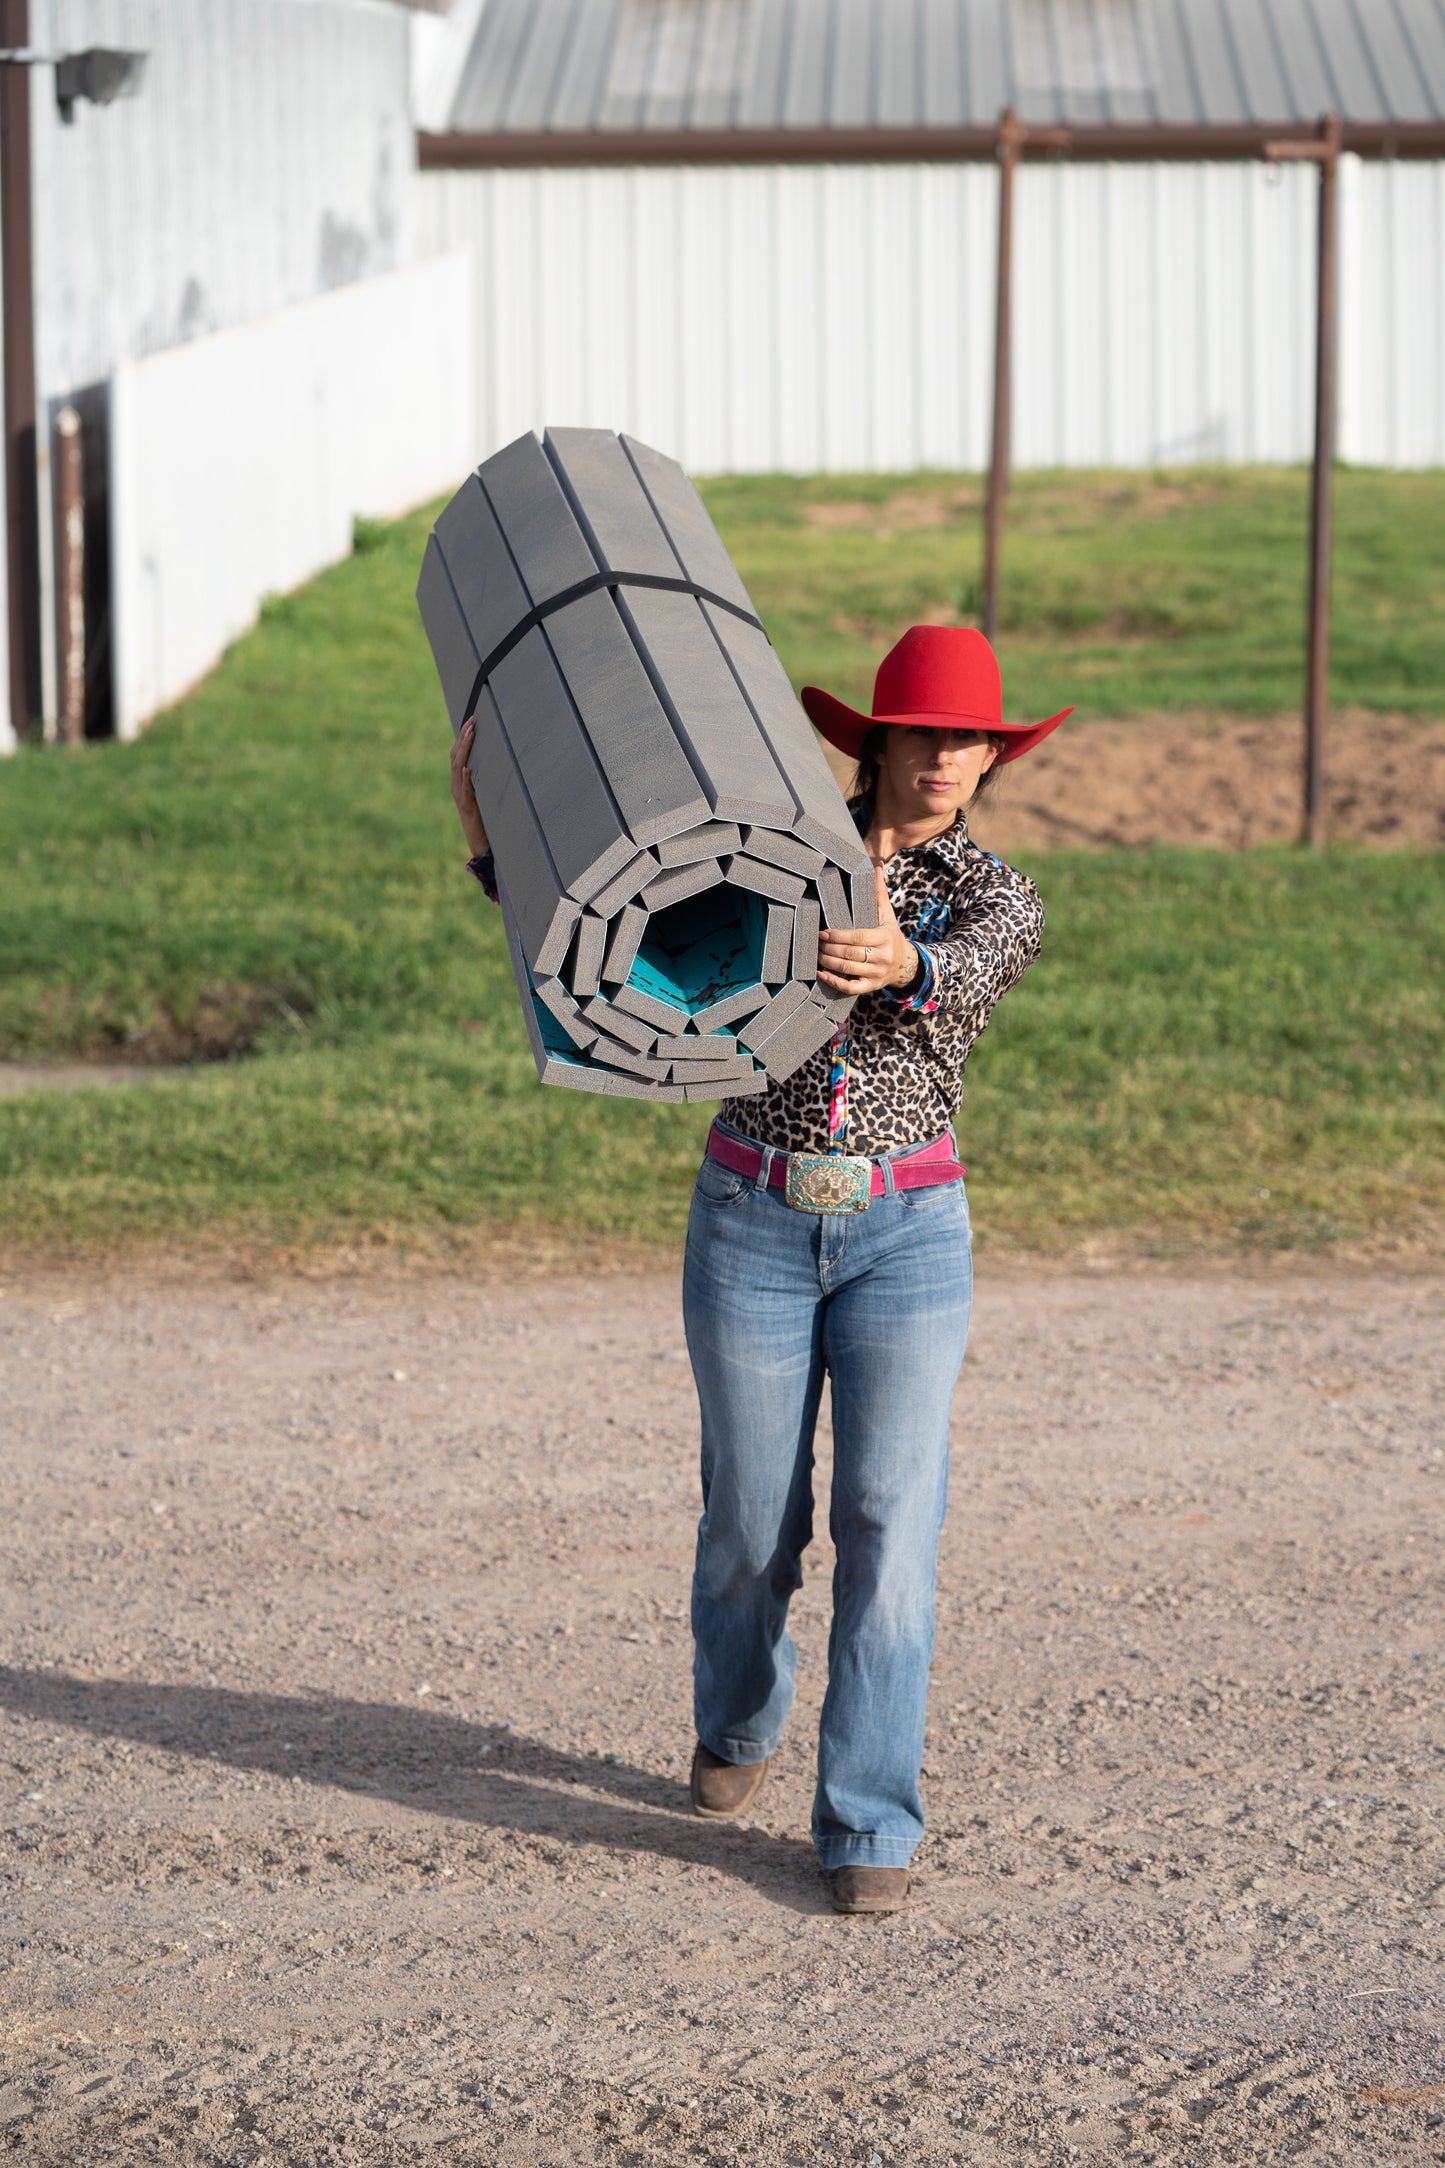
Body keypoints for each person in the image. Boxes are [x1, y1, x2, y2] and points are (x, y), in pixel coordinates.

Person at [449, 623, 1071, 1916]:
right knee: (749, 1520)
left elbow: (952, 972)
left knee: (891, 1523)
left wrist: (904, 961)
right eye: (929, 733)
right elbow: (622, 944)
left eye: (975, 740)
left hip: (910, 1234)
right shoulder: (780, 852)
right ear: (878, 740)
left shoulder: (995, 897)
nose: (950, 758)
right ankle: (736, 1721)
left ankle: (866, 1824)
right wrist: (487, 835)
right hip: (751, 1216)